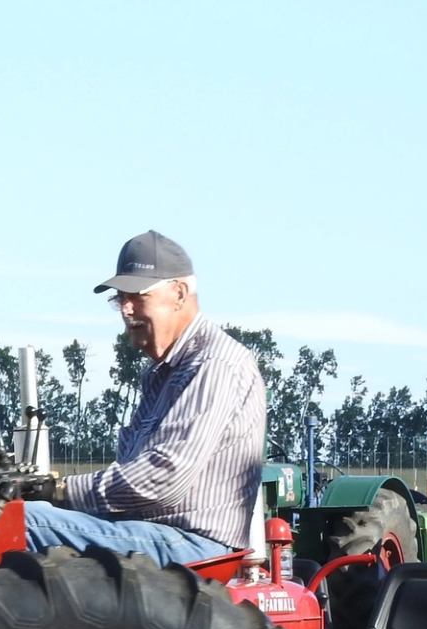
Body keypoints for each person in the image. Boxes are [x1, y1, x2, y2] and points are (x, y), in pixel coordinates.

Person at [19, 230, 265, 566]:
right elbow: (135, 472)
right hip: (155, 531)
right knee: (19, 515)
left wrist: (59, 490)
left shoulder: (215, 364)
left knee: (19, 523)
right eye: (120, 298)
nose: (125, 309)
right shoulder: (161, 374)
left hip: (196, 544)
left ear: (179, 293)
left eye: (137, 296)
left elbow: (163, 479)